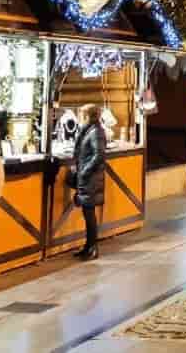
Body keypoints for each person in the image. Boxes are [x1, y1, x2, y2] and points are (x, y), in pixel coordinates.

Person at [71, 104, 108, 260]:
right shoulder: (89, 130)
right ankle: (88, 246)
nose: (79, 118)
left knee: (89, 213)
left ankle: (93, 247)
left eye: (82, 115)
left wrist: (84, 171)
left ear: (88, 116)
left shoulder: (96, 132)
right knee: (87, 213)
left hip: (90, 179)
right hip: (88, 178)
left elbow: (99, 155)